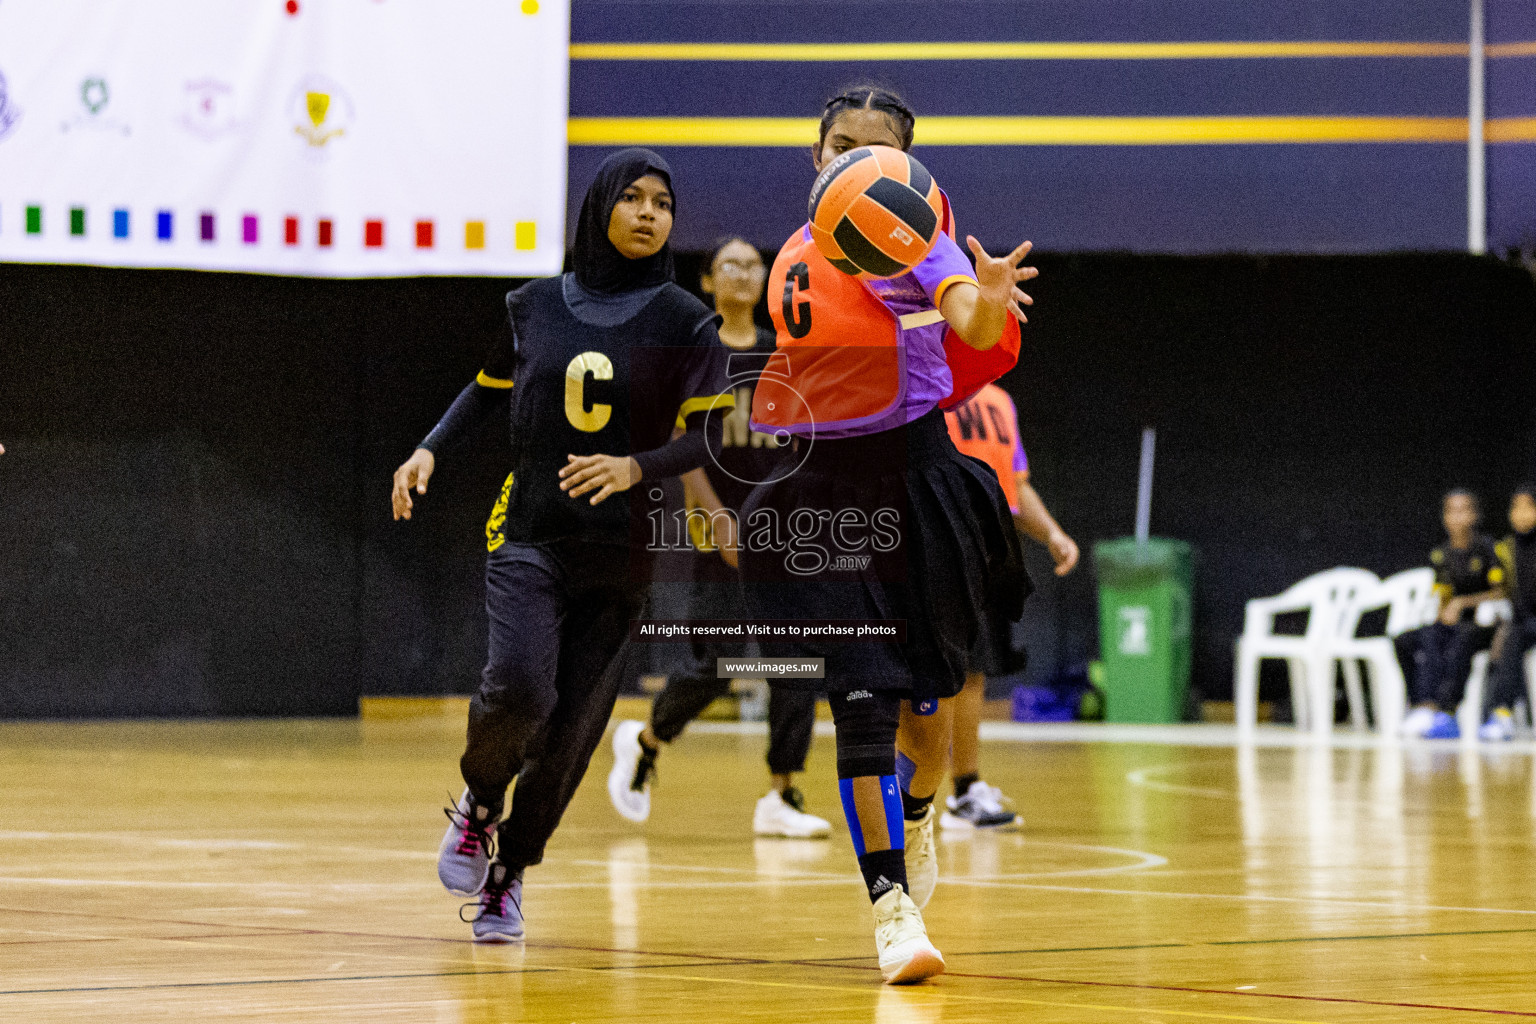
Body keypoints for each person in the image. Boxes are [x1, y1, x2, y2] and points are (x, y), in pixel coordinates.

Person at [392, 149, 732, 942]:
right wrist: (430, 448)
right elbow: (489, 388)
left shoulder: (686, 320)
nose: (650, 213)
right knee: (518, 689)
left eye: (664, 202)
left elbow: (709, 433)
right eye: (634, 198)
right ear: (600, 209)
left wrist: (635, 466)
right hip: (532, 535)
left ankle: (509, 875)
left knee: (572, 731)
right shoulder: (536, 305)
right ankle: (479, 800)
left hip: (622, 557)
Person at [740, 85, 1035, 983]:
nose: (853, 161)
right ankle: (889, 907)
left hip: (917, 478)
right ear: (815, 155)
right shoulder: (796, 252)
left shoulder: (921, 236)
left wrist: (984, 301)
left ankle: (918, 812)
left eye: (875, 148)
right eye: (839, 144)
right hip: (824, 488)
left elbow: (972, 321)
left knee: (928, 702)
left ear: (907, 164)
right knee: (859, 698)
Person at [607, 237, 831, 839]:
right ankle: (647, 740)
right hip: (721, 533)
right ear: (708, 281)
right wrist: (718, 518)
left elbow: (800, 443)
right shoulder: (697, 356)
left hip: (780, 534)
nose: (744, 273)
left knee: (798, 665)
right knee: (716, 665)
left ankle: (782, 793)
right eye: (729, 264)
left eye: (754, 265)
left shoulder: (782, 354)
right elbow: (685, 454)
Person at [941, 383, 1077, 830]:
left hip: (992, 547)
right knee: (936, 674)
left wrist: (1053, 534)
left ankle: (965, 789)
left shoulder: (999, 401)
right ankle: (914, 791)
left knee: (973, 671)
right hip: (943, 538)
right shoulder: (929, 384)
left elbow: (1015, 488)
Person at [1400, 490, 1505, 739]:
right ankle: (1422, 705)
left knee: (1461, 638)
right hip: (1453, 624)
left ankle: (1448, 710)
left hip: (1483, 625)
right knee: (1410, 639)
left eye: (1463, 510)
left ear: (1474, 515)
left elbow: (1500, 592)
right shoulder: (1441, 554)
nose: (1457, 517)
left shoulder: (1488, 548)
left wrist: (1462, 603)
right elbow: (1441, 593)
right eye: (1451, 511)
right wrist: (1443, 609)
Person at [1479, 484, 1536, 741]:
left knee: (1514, 634)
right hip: (1521, 622)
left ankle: (1500, 713)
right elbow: (1501, 591)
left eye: (1529, 506)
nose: (1522, 513)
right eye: (1517, 507)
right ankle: (1498, 714)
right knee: (1507, 636)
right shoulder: (1506, 549)